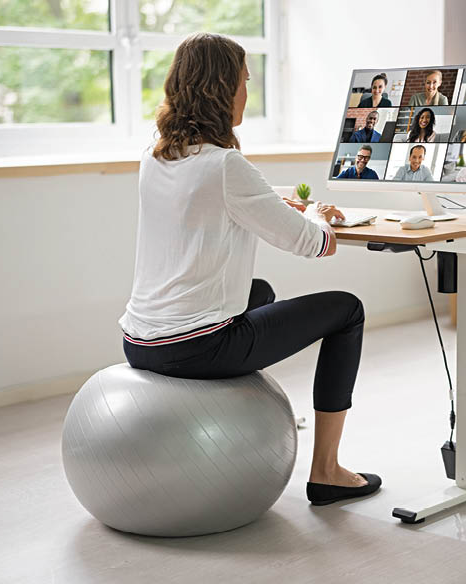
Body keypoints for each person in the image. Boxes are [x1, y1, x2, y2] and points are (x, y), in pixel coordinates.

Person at [119, 33, 381, 506]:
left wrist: (271, 201)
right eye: (243, 81)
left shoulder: (156, 157)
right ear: (222, 89)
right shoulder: (226, 166)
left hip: (140, 343)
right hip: (196, 348)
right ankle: (327, 472)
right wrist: (318, 213)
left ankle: (255, 418)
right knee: (347, 310)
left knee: (258, 291)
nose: (247, 92)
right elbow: (315, 244)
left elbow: (212, 204)